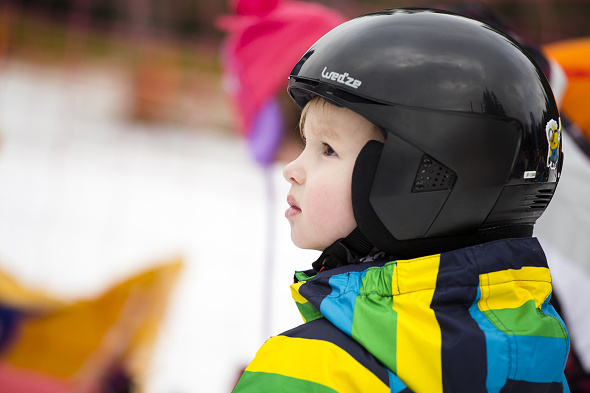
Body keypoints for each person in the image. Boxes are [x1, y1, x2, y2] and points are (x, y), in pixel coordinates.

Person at [233, 8, 570, 392]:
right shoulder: (539, 352)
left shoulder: (310, 369)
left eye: (327, 149)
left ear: (424, 177)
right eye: (306, 143)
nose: (292, 168)